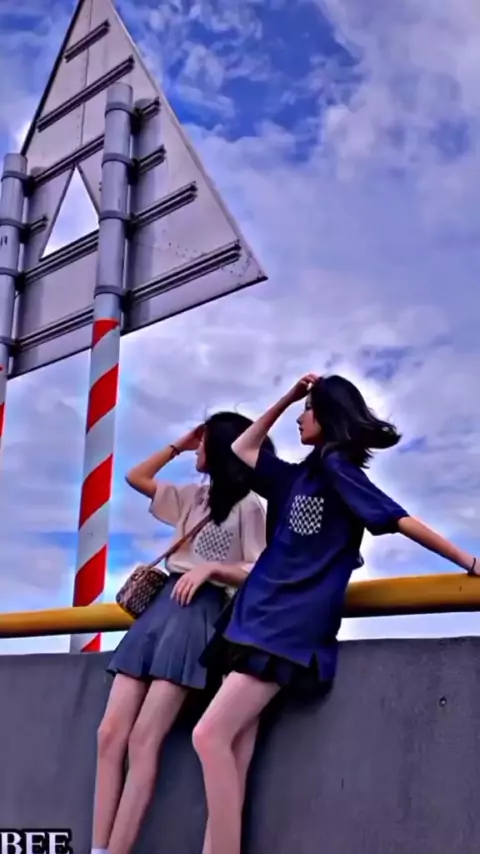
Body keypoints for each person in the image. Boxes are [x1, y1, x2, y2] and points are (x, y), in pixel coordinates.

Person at [192, 374, 479, 854]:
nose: (299, 418)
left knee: (209, 735)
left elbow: (398, 519)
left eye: (308, 409)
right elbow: (243, 448)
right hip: (256, 615)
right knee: (233, 749)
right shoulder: (294, 477)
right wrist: (288, 395)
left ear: (328, 417)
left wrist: (470, 561)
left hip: (285, 625)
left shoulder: (336, 470)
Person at [91, 412, 275, 854]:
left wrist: (213, 569)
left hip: (199, 614)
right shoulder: (194, 496)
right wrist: (180, 442)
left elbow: (260, 567)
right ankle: (98, 848)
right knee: (109, 735)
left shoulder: (249, 505)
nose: (197, 449)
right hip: (159, 611)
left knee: (143, 740)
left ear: (222, 448)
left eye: (203, 441)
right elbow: (137, 477)